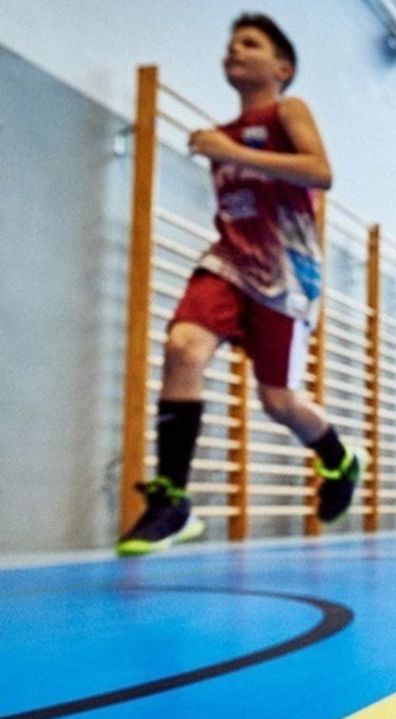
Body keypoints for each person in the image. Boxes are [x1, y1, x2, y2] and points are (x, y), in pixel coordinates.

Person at [117, 14, 362, 556]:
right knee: (183, 346)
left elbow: (320, 172)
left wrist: (234, 153)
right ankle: (172, 498)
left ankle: (338, 459)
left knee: (278, 401)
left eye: (250, 44)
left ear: (282, 67)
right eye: (231, 43)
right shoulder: (219, 137)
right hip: (229, 262)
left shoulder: (286, 112)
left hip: (287, 273)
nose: (235, 50)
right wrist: (224, 149)